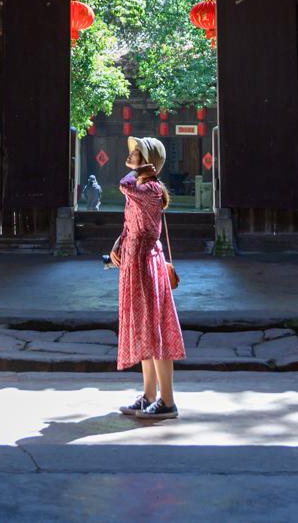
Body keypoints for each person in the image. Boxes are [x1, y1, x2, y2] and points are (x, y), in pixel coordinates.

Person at [109, 136, 185, 420]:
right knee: (144, 330)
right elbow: (130, 224)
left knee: (155, 332)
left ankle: (167, 401)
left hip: (146, 264)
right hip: (133, 262)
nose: (132, 155)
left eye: (138, 152)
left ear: (150, 160)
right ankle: (149, 395)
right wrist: (117, 243)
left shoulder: (149, 188)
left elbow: (125, 184)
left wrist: (141, 171)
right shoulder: (140, 189)